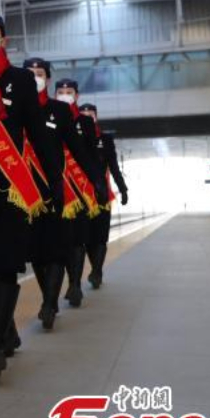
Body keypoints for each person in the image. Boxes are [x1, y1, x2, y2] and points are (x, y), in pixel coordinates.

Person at [0, 16, 60, 379]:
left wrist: (54, 181)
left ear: (4, 39)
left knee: (5, 262)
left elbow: (36, 132)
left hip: (11, 185)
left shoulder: (19, 80)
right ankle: (6, 329)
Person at [20, 59, 103, 330]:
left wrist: (97, 181)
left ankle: (49, 304)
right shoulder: (13, 108)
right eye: (29, 74)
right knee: (35, 254)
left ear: (48, 78)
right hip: (24, 193)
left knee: (55, 251)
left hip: (55, 191)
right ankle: (49, 297)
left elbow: (78, 149)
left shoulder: (59, 111)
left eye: (40, 74)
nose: (34, 78)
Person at [52, 79, 105, 309]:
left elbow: (91, 156)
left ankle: (74, 284)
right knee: (59, 240)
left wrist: (97, 183)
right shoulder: (48, 114)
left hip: (80, 190)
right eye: (61, 91)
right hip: (57, 187)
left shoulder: (84, 122)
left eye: (69, 91)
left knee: (78, 239)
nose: (65, 95)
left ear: (77, 94)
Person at [78, 103, 128, 289]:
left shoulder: (105, 139)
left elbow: (113, 166)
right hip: (79, 197)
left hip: (101, 196)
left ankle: (97, 270)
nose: (87, 118)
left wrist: (123, 189)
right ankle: (91, 271)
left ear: (96, 117)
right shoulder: (72, 137)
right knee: (85, 238)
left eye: (90, 115)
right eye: (82, 114)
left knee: (99, 237)